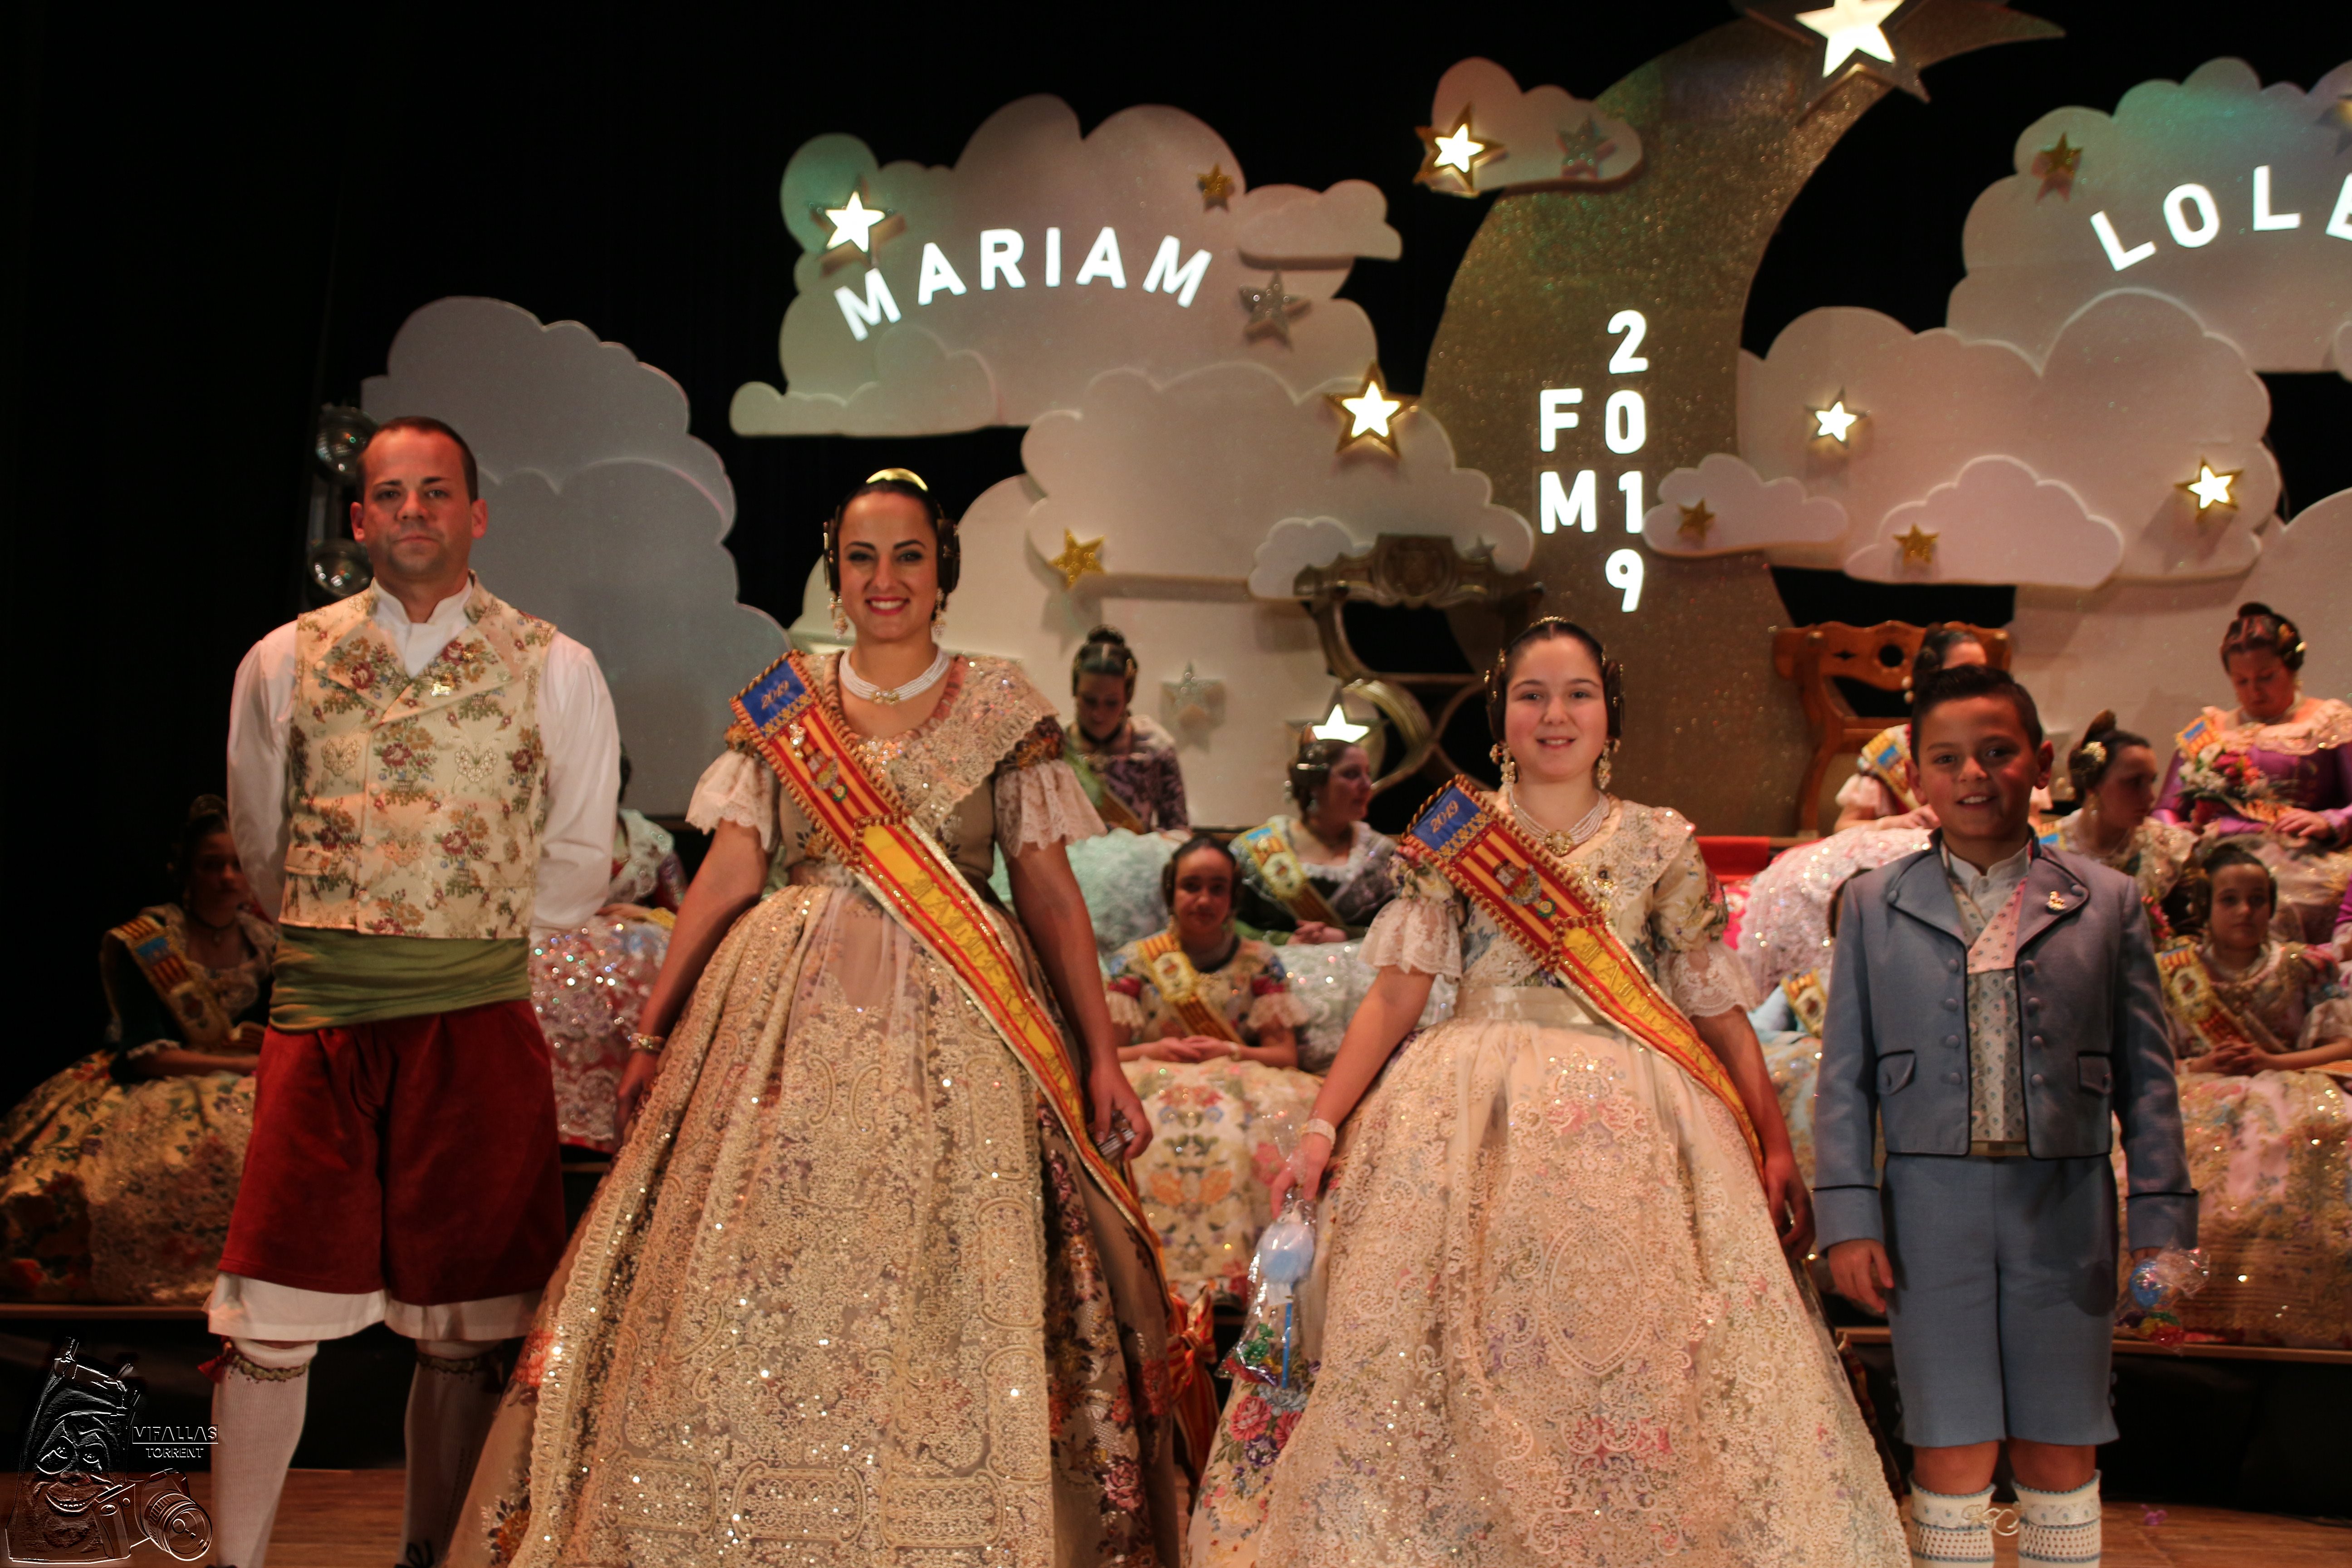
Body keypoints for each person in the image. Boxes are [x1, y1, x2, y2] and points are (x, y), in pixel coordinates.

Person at [451, 470, 1201, 1567]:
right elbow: (726, 873)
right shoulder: (783, 701)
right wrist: (656, 1029)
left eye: (906, 554)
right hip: (777, 1022)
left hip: (962, 1019)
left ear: (942, 568)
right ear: (833, 571)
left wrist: (1101, 1054)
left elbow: (1045, 891)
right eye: (861, 557)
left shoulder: (1001, 703)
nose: (884, 578)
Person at [1191, 619, 1902, 1568]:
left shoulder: (1661, 842)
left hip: (1639, 1122)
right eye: (1532, 694)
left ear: (1611, 717)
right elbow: (1400, 991)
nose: (1555, 714)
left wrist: (1772, 1142)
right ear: (1501, 717)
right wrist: (1323, 1125)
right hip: (1464, 1114)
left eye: (1578, 693)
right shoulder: (1451, 834)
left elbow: (1717, 1007)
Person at [215, 415, 621, 1568]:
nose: (412, 513)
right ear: (358, 521)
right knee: (269, 1321)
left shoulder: (555, 663)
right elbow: (258, 838)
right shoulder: (283, 658)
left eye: (434, 492)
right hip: (325, 1021)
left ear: (476, 512)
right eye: (388, 495)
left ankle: (427, 1553)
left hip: (474, 1020)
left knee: (463, 1329)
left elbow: (580, 855)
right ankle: (236, 1559)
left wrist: (461, 933)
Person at [1816, 663, 2195, 1568]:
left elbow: (2150, 1080)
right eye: (1947, 759)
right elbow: (1843, 1080)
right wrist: (1849, 1219)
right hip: (1924, 1214)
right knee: (1948, 1439)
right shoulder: (1874, 904)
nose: (1974, 776)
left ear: (2042, 762)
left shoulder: (2108, 903)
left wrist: (2163, 1225)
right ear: (1916, 777)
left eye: (1997, 753)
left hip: (2067, 1210)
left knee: (2060, 1437)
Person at [0, 797, 274, 1304]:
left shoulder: (264, 943)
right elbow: (140, 1054)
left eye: (238, 865)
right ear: (186, 871)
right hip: (149, 1082)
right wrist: (240, 1065)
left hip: (243, 1078)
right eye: (212, 865)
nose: (227, 878)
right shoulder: (149, 940)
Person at [2152, 846, 2352, 1348]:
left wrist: (2271, 1062)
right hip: (2193, 1090)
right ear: (2205, 907)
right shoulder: (2169, 971)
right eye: (2231, 900)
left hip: (2287, 1088)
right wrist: (2198, 1066)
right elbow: (2137, 1054)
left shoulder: (2302, 967)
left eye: (2258, 900)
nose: (2246, 911)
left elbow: (2344, 1043)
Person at [1108, 836, 1318, 1300]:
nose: (1203, 900)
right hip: (1151, 1077)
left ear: (1233, 898)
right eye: (1191, 886)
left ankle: (1245, 1278)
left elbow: (1285, 1057)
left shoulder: (1260, 962)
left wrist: (1231, 1050)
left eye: (1217, 888)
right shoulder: (1135, 962)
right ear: (1171, 893)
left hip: (1239, 1078)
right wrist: (1158, 1048)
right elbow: (1107, 1055)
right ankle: (1149, 1275)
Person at [2156, 603, 2352, 943]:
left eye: (2266, 678)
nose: (2254, 691)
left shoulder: (2329, 722)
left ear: (2291, 669)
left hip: (2300, 859)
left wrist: (2330, 822)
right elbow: (2165, 808)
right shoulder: (2209, 730)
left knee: (2275, 906)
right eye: (2241, 681)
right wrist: (2178, 834)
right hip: (2213, 853)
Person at [533, 749, 685, 1155]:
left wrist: (647, 915)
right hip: (555, 949)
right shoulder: (539, 835)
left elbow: (682, 912)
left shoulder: (649, 840)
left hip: (634, 952)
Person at [2046, 710, 2197, 943]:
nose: (2150, 797)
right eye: (2134, 783)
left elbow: (2188, 936)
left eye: (2151, 782)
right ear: (2093, 784)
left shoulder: (2168, 849)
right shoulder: (2047, 849)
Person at [1232, 738, 1397, 943]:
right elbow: (1227, 922)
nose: (1366, 785)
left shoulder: (1383, 854)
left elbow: (1403, 927)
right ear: (1315, 785)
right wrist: (1283, 941)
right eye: (1352, 774)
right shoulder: (1257, 847)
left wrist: (1346, 936)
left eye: (1368, 774)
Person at [1834, 625, 1989, 832]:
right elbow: (1843, 828)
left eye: (1983, 672)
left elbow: (2030, 823)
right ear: (1931, 679)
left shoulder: (2002, 741)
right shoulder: (1893, 748)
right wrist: (1895, 823)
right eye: (1964, 672)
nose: (1979, 682)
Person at [1066, 624, 1190, 832]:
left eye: (1112, 703)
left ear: (1128, 697)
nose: (1099, 713)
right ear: (1075, 691)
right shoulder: (1055, 748)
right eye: (1089, 701)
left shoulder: (1155, 749)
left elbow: (1178, 832)